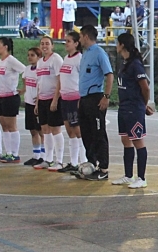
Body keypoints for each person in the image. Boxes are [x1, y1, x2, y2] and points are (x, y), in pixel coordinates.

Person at [112, 33, 153, 189]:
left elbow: (145, 87)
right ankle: (128, 175)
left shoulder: (136, 64)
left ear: (122, 45)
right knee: (125, 140)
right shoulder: (125, 63)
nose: (116, 46)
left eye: (117, 43)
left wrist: (143, 104)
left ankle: (141, 177)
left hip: (134, 108)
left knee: (137, 141)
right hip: (123, 107)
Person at [77, 24, 114, 181]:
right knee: (86, 133)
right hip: (84, 98)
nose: (79, 40)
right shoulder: (85, 53)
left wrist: (106, 96)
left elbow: (109, 74)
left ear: (86, 36)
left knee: (99, 133)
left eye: (80, 37)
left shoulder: (99, 53)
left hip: (95, 98)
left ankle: (103, 167)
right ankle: (91, 164)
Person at [33, 36, 66, 171]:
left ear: (52, 46)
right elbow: (39, 83)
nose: (44, 46)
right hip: (42, 100)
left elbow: (60, 79)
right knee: (45, 130)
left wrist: (55, 99)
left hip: (53, 99)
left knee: (55, 129)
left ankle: (59, 160)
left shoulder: (56, 59)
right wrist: (37, 102)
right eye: (42, 44)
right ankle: (48, 159)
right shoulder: (40, 62)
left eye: (47, 43)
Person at [57, 30, 86, 173]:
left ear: (76, 43)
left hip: (75, 99)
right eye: (65, 41)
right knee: (70, 131)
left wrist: (82, 98)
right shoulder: (66, 58)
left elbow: (84, 79)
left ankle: (84, 162)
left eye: (68, 41)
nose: (66, 43)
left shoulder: (80, 58)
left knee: (78, 131)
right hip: (65, 99)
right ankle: (73, 162)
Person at [0, 37, 26, 163]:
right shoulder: (0, 61)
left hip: (10, 97)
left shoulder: (11, 60)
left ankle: (15, 154)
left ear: (6, 46)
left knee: (11, 126)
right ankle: (8, 153)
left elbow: (25, 70)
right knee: (4, 126)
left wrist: (23, 88)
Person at [22, 47, 44, 166]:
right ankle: (36, 155)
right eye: (29, 55)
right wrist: (22, 91)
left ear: (39, 57)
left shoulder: (40, 70)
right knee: (32, 130)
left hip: (37, 104)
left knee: (41, 131)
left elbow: (42, 85)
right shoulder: (27, 69)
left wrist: (38, 99)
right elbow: (26, 84)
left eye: (33, 55)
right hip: (28, 103)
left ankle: (44, 156)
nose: (30, 57)